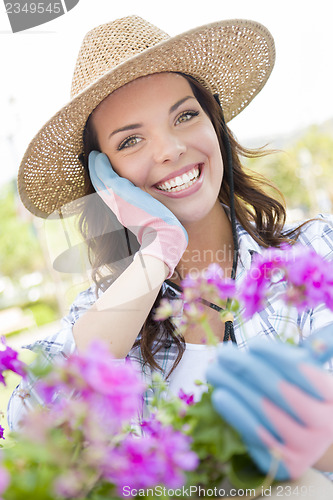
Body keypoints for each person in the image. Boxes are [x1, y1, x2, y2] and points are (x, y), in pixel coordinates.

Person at [8, 15, 333, 495]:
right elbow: (30, 425)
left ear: (214, 121)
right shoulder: (106, 321)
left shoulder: (313, 255)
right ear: (104, 176)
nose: (171, 149)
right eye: (130, 140)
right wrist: (160, 246)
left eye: (185, 115)